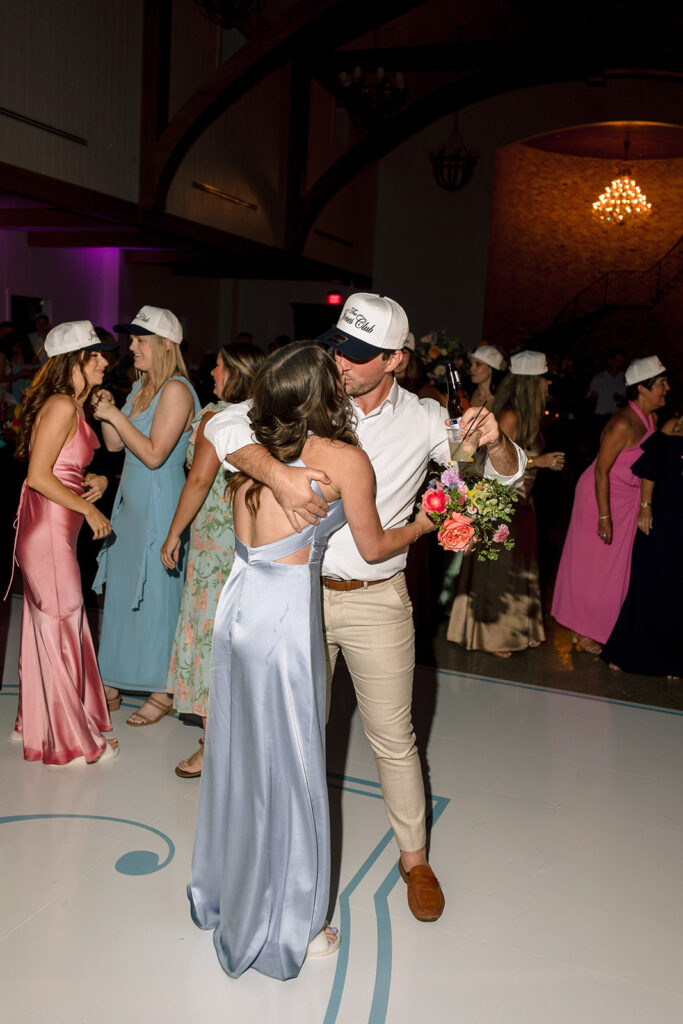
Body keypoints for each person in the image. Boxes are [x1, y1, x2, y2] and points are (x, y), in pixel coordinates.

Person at [203, 293, 525, 924]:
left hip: (378, 599)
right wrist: (279, 474)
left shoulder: (429, 419)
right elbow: (222, 426)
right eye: (337, 346)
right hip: (296, 598)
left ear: (396, 360)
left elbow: (506, 478)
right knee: (297, 737)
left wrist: (497, 440)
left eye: (356, 354)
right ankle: (286, 860)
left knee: (394, 738)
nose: (340, 362)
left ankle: (416, 859)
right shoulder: (312, 397)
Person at [189, 342, 438, 980]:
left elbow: (221, 425)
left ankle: (226, 893)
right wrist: (427, 522)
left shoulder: (254, 447)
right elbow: (376, 545)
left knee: (244, 754)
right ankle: (293, 920)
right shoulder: (343, 460)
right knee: (295, 766)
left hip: (239, 607)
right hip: (284, 625)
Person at [10, 320, 118, 765]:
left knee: (49, 625)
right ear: (76, 359)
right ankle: (71, 739)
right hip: (49, 531)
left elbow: (63, 468)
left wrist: (93, 480)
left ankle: (35, 723)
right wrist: (90, 509)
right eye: (97, 355)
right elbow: (38, 476)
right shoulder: (60, 404)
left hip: (54, 528)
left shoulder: (73, 406)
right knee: (62, 619)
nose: (106, 362)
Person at [91, 306, 200, 722]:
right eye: (132, 340)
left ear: (165, 345)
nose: (131, 347)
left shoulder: (175, 389)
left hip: (160, 501)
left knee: (156, 595)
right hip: (130, 501)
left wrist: (115, 413)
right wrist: (107, 409)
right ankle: (113, 680)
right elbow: (117, 447)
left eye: (140, 341)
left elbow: (154, 455)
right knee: (120, 592)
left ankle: (163, 688)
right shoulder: (142, 385)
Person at [161, 342, 264, 777]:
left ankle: (213, 745)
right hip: (250, 535)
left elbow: (199, 479)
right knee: (239, 638)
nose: (213, 371)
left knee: (208, 636)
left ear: (236, 373)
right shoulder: (266, 415)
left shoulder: (217, 418)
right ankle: (241, 739)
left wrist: (173, 533)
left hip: (212, 542)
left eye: (219, 365)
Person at [448, 352, 565, 656]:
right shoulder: (510, 415)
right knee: (501, 566)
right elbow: (491, 463)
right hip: (505, 500)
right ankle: (493, 634)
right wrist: (540, 460)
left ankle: (521, 627)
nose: (548, 387)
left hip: (524, 500)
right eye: (544, 381)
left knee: (521, 565)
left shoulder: (527, 415)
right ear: (531, 383)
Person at [551, 356, 668, 653]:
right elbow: (601, 470)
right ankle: (583, 630)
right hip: (600, 496)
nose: (666, 389)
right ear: (642, 389)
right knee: (594, 565)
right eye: (660, 384)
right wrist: (604, 516)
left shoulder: (651, 418)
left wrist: (645, 503)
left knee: (616, 568)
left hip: (627, 498)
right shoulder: (621, 423)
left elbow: (648, 465)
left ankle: (607, 624)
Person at [601, 411, 683, 678]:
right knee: (648, 582)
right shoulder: (674, 425)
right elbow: (651, 467)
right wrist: (645, 507)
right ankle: (629, 654)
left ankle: (673, 660)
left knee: (676, 590)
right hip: (661, 519)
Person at [468, 344, 507, 410]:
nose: (471, 369)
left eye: (478, 364)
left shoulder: (501, 400)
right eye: (471, 364)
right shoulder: (467, 393)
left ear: (491, 368)